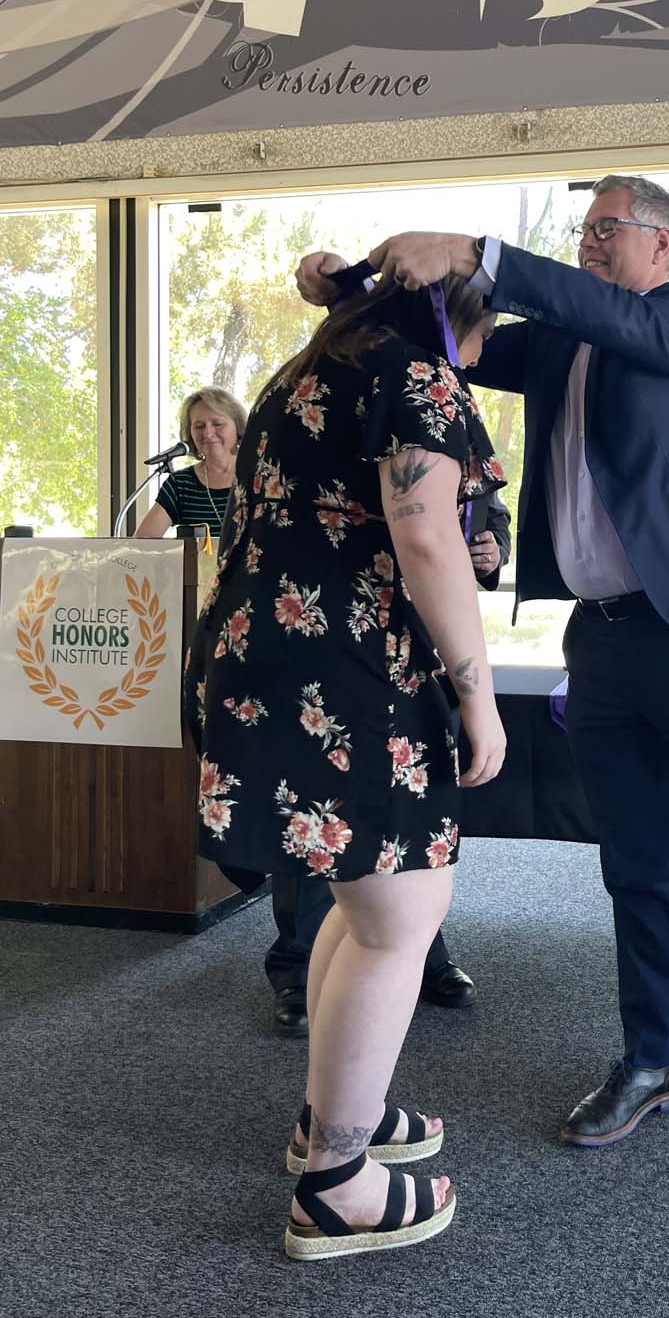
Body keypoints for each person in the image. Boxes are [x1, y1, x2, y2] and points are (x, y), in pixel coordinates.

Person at [296, 174, 669, 1157]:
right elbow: (450, 337)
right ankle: (652, 1059)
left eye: (606, 227)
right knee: (636, 863)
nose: (587, 242)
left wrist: (478, 249)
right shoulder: (560, 340)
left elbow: (604, 314)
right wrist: (351, 288)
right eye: (582, 230)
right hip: (604, 641)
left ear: (661, 244)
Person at [186, 271, 506, 1260]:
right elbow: (428, 536)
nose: (482, 355)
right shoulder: (418, 374)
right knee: (403, 912)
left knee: (362, 901)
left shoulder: (309, 368)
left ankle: (332, 1117)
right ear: (459, 317)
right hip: (346, 666)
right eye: (486, 334)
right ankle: (336, 1185)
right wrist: (478, 692)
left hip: (269, 651)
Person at [268, 489, 512, 1036]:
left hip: (423, 650)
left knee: (409, 823)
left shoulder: (460, 451)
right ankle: (297, 969)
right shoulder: (395, 429)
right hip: (336, 638)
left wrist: (494, 548)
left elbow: (489, 513)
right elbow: (421, 535)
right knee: (321, 823)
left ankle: (423, 952)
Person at [135, 386, 245, 537]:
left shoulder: (262, 476)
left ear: (238, 427)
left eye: (218, 424)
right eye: (199, 426)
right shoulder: (180, 484)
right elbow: (142, 541)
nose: (208, 433)